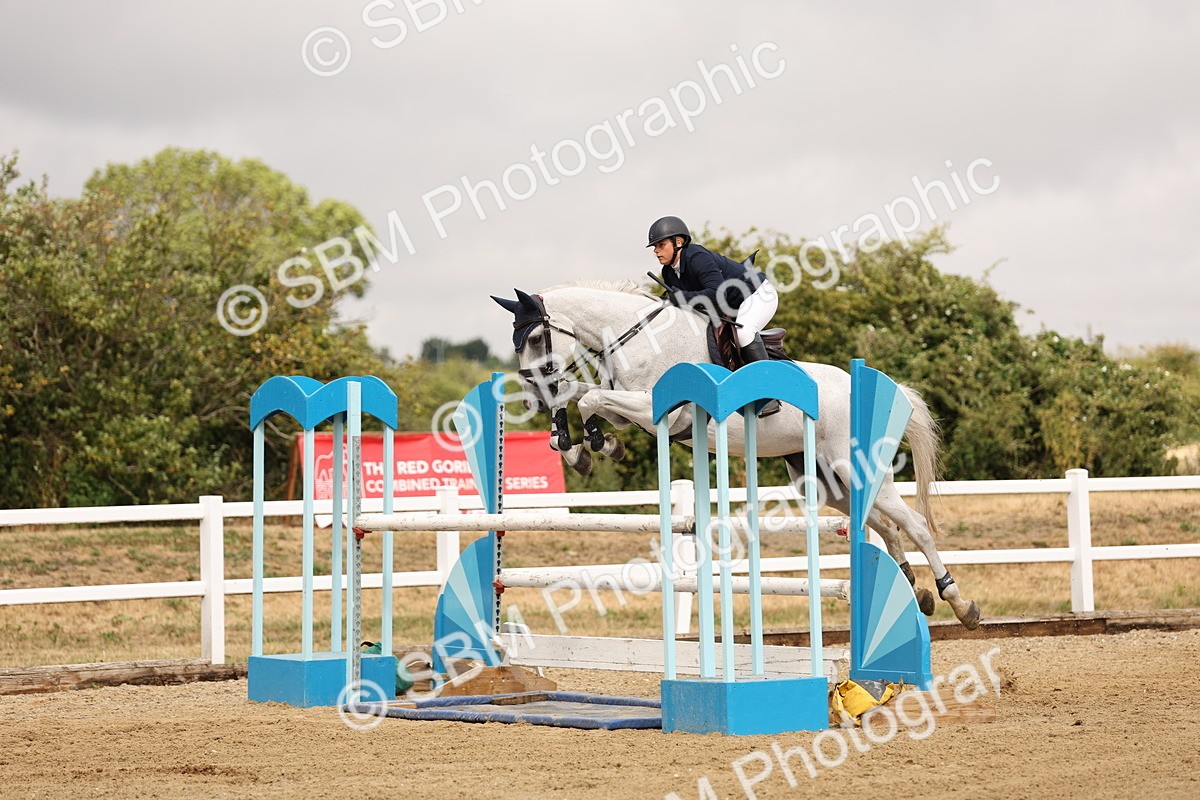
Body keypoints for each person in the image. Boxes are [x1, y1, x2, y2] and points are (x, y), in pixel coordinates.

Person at [647, 215, 779, 366]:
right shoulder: (668, 272)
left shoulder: (697, 257)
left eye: (661, 245)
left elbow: (717, 294)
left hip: (758, 294)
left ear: (678, 242)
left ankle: (766, 381)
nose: (656, 251)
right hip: (730, 306)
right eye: (654, 247)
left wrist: (682, 298)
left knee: (744, 334)